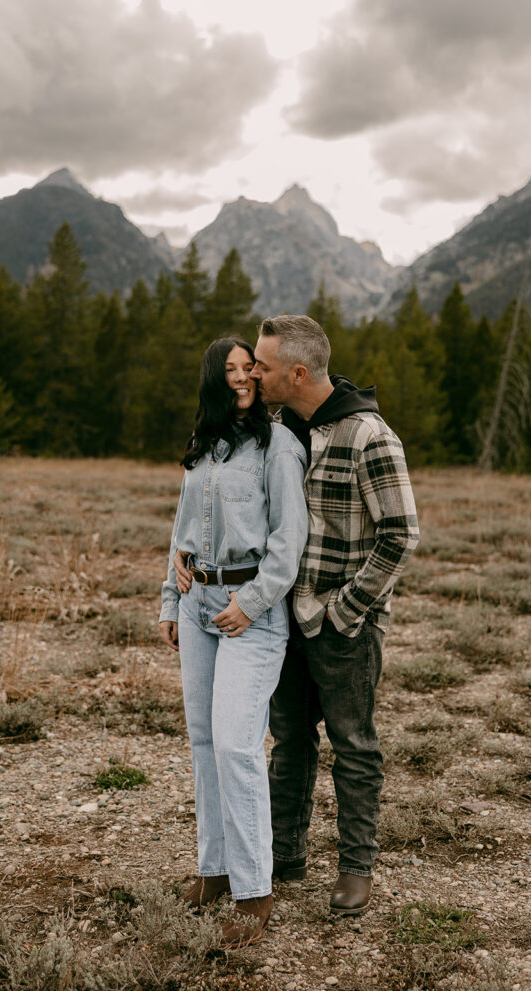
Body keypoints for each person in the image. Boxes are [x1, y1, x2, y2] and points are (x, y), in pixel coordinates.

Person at [251, 314, 419, 915]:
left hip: (345, 625)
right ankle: (284, 855)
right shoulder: (280, 431)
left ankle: (356, 868)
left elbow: (401, 533)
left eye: (264, 367)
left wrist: (347, 609)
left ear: (297, 372)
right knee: (290, 739)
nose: (254, 374)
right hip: (286, 618)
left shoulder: (369, 436)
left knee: (353, 744)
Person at [159, 336, 307, 948]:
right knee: (202, 741)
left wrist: (251, 603)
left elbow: (288, 539)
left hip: (251, 613)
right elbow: (181, 527)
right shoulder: (203, 447)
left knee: (238, 746)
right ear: (214, 380)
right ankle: (215, 869)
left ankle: (254, 889)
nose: (244, 377)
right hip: (198, 607)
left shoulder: (278, 446)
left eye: (251, 368)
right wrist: (172, 595)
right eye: (232, 370)